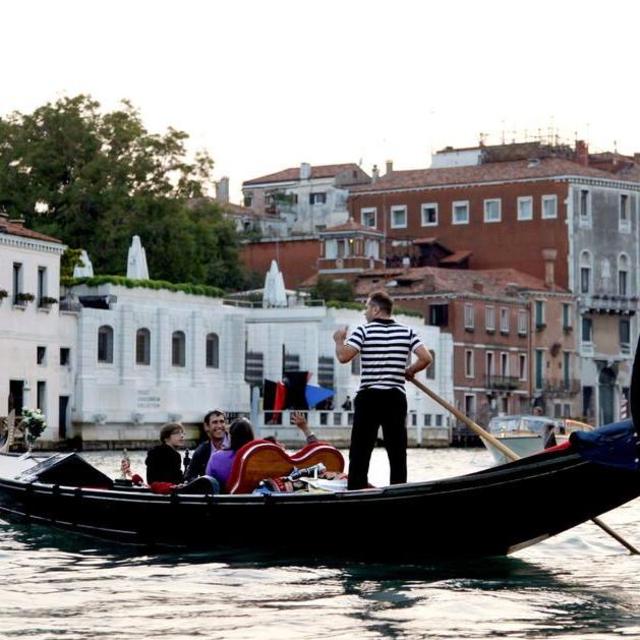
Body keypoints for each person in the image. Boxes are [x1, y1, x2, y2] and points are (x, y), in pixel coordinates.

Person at [333, 290, 432, 490]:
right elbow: (426, 358)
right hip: (395, 398)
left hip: (369, 397)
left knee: (361, 450)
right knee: (397, 452)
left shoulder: (364, 331)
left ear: (376, 309)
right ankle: (398, 491)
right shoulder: (407, 332)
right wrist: (410, 370)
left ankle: (356, 492)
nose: (365, 312)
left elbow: (344, 357)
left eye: (367, 307)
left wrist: (338, 340)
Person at [184, 409, 230, 482]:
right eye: (215, 422)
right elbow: (190, 475)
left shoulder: (236, 444)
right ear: (206, 426)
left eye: (222, 422)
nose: (219, 426)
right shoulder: (201, 450)